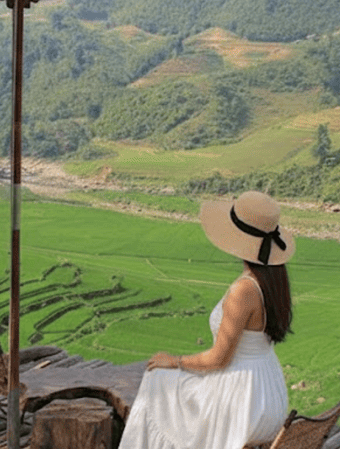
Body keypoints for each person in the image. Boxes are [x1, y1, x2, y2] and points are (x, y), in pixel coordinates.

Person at [118, 190, 296, 449]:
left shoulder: (243, 290)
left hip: (244, 401)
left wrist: (175, 361)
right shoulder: (274, 282)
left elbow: (218, 359)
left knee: (157, 381)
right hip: (269, 393)